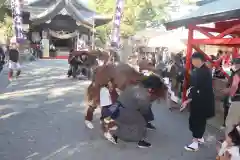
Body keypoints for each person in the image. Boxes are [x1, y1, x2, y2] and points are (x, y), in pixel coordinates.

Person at [100, 75, 166, 148]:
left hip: (114, 108)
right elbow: (145, 110)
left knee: (131, 118)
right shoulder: (145, 95)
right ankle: (138, 140)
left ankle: (116, 130)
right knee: (141, 121)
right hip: (122, 112)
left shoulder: (134, 85)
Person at [181, 52, 215, 151]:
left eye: (192, 60)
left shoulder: (200, 72)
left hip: (200, 101)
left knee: (196, 121)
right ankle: (199, 138)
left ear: (198, 60)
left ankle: (195, 143)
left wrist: (187, 100)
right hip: (204, 101)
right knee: (201, 121)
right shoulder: (204, 70)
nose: (192, 62)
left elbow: (196, 89)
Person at [222, 57, 240, 135]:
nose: (233, 65)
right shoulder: (234, 72)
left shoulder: (238, 73)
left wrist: (230, 93)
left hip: (237, 100)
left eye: (235, 64)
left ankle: (228, 141)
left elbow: (235, 86)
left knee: (231, 122)